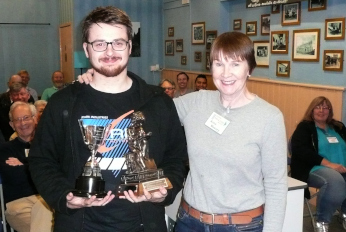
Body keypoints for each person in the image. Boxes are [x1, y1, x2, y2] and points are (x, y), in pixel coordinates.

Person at [78, 31, 288, 232]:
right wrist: (102, 79)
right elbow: (150, 108)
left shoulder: (269, 117)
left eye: (235, 64)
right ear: (210, 67)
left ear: (249, 68)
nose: (226, 73)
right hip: (190, 222)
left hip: (242, 225)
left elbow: (276, 185)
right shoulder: (196, 103)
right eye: (219, 64)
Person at [29, 6, 187, 232]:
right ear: (86, 49)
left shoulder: (158, 102)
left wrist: (164, 191)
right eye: (100, 43)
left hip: (145, 224)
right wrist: (64, 196)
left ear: (130, 46)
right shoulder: (63, 103)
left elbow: (176, 158)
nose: (110, 51)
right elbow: (41, 160)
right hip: (80, 224)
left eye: (118, 42)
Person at [291, 96, 346, 232]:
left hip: (342, 168)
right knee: (335, 182)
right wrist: (328, 164)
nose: (321, 110)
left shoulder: (338, 127)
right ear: (312, 110)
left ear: (330, 111)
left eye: (325, 107)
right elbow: (300, 150)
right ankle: (322, 221)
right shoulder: (305, 127)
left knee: (339, 179)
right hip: (315, 168)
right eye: (318, 107)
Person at [0, 101, 53, 232]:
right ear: (12, 125)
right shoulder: (4, 149)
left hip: (47, 201)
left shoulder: (47, 146)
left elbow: (55, 171)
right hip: (18, 204)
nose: (23, 123)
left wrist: (23, 165)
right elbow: (15, 176)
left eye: (26, 118)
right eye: (17, 120)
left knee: (45, 208)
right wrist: (35, 166)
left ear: (35, 119)